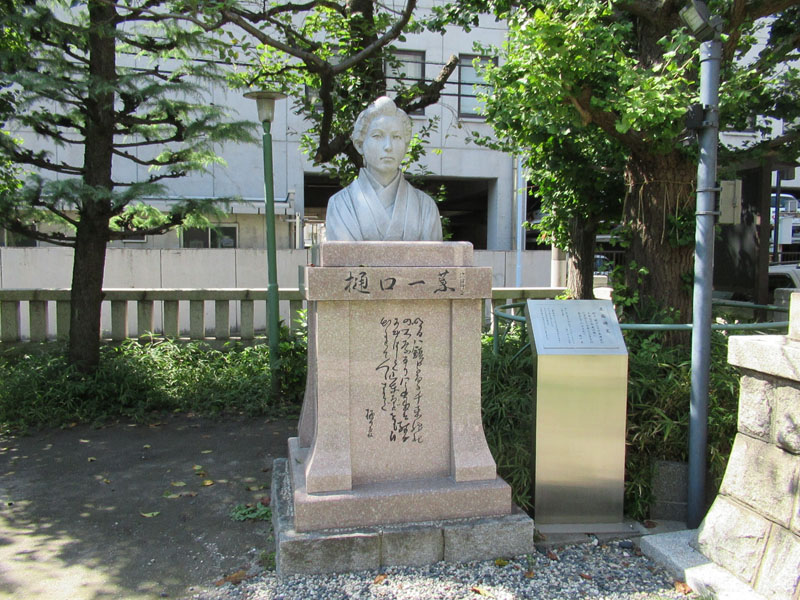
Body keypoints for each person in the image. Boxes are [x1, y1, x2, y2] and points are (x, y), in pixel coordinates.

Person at [325, 96, 443, 241]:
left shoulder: (425, 207)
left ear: (405, 146)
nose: (388, 146)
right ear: (360, 145)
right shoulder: (340, 205)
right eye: (377, 136)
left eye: (396, 137)